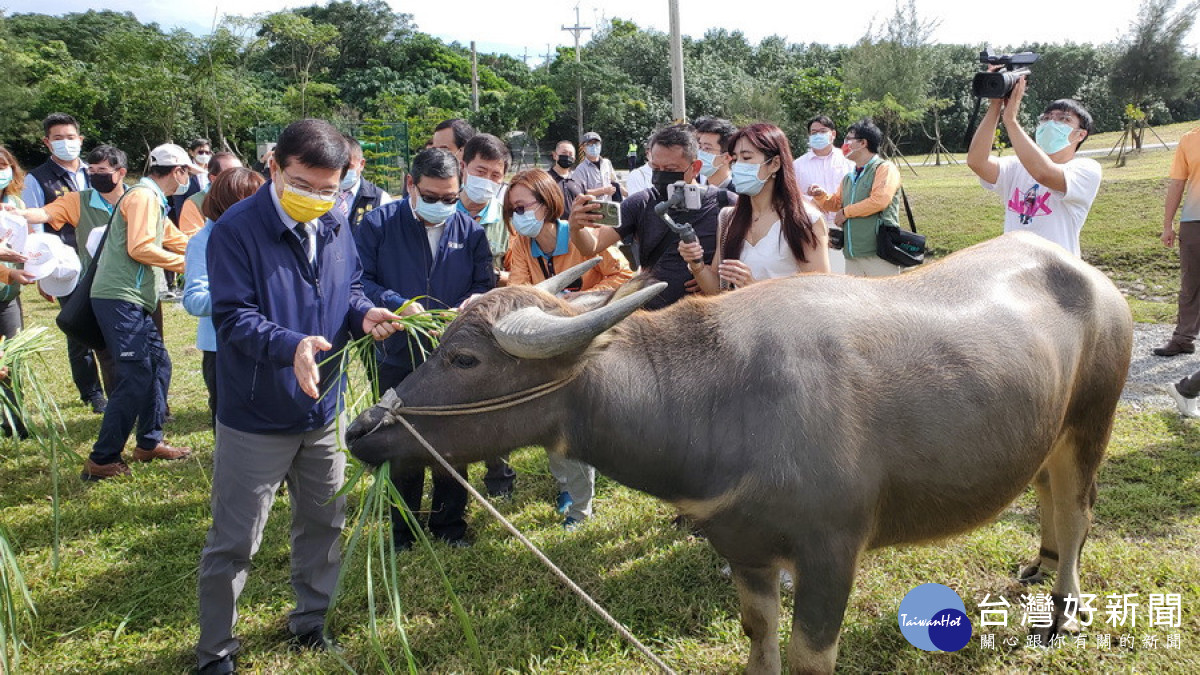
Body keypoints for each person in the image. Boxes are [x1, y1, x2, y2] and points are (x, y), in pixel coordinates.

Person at [196, 119, 401, 675]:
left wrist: (365, 314)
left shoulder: (336, 223)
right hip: (258, 413)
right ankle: (215, 651)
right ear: (273, 167)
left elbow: (350, 288)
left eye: (328, 188)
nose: (316, 198)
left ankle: (311, 620)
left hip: (323, 408)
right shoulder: (235, 231)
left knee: (324, 522)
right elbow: (234, 316)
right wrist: (290, 346)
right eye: (303, 184)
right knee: (235, 539)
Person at [355, 147, 494, 551]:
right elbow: (359, 280)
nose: (441, 206)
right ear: (410, 185)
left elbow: (484, 284)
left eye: (450, 199)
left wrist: (473, 303)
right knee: (401, 441)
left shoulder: (468, 231)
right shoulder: (378, 225)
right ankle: (403, 530)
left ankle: (450, 523)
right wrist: (398, 302)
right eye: (431, 198)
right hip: (398, 351)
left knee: (455, 441)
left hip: (454, 358)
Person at [504, 168, 632, 528]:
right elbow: (518, 289)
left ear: (547, 204)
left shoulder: (582, 237)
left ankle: (580, 507)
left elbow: (624, 275)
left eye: (523, 206)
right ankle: (567, 488)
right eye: (512, 208)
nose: (518, 215)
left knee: (573, 423)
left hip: (586, 342)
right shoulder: (519, 244)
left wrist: (580, 300)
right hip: (544, 345)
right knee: (552, 421)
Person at [81, 143, 195, 481]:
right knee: (134, 375)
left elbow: (179, 240)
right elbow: (141, 247)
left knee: (159, 364)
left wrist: (210, 250)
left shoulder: (152, 199)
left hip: (134, 298)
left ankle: (149, 442)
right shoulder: (144, 197)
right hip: (119, 297)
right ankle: (102, 459)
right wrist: (191, 264)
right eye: (187, 172)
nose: (187, 178)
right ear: (178, 171)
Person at [570, 123, 731, 310]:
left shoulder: (723, 204)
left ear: (695, 167)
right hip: (651, 319)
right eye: (656, 168)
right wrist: (576, 227)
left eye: (670, 170)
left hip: (704, 317)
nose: (661, 176)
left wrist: (707, 275)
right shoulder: (642, 202)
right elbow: (592, 246)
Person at [22, 113, 106, 413]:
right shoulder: (38, 178)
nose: (66, 143)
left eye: (70, 137)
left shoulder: (95, 171)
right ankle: (92, 393)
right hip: (65, 266)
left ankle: (115, 386)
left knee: (106, 324)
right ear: (47, 142)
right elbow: (34, 227)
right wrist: (40, 272)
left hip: (101, 261)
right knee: (78, 328)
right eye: (58, 138)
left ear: (80, 140)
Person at [681, 123, 829, 294]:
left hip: (784, 320)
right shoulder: (728, 218)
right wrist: (696, 264)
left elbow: (820, 294)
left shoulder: (805, 220)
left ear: (774, 164)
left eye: (747, 158)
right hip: (737, 319)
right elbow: (717, 291)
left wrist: (754, 288)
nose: (737, 166)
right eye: (735, 159)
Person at [966, 77, 1101, 257]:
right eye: (1046, 118)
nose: (1052, 122)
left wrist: (1011, 122)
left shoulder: (1086, 169)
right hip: (1013, 270)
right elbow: (977, 162)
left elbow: (1044, 174)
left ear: (1080, 135)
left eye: (1063, 119)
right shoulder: (1017, 166)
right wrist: (995, 106)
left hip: (1057, 273)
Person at [182, 167, 265, 426]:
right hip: (222, 349)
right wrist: (240, 297)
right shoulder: (203, 241)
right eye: (250, 201)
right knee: (228, 418)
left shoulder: (260, 237)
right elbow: (194, 299)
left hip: (262, 341)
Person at [808, 119, 903, 277]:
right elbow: (837, 203)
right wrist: (821, 196)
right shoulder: (849, 177)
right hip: (852, 255)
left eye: (848, 140)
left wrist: (846, 212)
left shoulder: (884, 168)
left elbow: (879, 201)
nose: (844, 145)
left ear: (863, 143)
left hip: (879, 254)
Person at [1153, 125, 1200, 357]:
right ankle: (1183, 339)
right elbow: (1177, 182)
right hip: (1193, 220)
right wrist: (1167, 224)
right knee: (1190, 284)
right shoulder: (1189, 139)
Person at [793, 115, 854, 274]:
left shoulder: (848, 161)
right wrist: (811, 203)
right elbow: (793, 196)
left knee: (845, 273)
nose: (817, 135)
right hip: (812, 229)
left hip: (845, 225)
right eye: (813, 132)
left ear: (833, 134)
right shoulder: (798, 165)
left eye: (822, 131)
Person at [457, 133, 512, 285]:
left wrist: (492, 274)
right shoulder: (442, 211)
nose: (487, 180)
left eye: (495, 175)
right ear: (463, 167)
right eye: (480, 172)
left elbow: (519, 276)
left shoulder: (508, 220)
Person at [178, 152, 243, 236]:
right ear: (213, 178)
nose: (240, 178)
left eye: (242, 172)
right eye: (232, 174)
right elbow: (194, 241)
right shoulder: (194, 203)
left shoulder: (248, 197)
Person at [335, 134, 392, 227]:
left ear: (361, 164)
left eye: (348, 167)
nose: (342, 172)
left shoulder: (380, 200)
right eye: (337, 166)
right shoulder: (321, 195)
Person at [694, 116, 737, 190]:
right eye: (700, 147)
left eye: (707, 148)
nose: (700, 153)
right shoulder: (696, 189)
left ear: (727, 157)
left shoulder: (737, 195)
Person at [572, 131, 619, 199]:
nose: (594, 146)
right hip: (592, 208)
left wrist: (629, 194)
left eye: (596, 143)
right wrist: (603, 191)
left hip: (609, 206)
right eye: (590, 144)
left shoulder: (607, 163)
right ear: (583, 148)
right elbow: (579, 193)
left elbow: (615, 183)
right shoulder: (581, 169)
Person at [548, 140, 583, 218]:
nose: (567, 156)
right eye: (564, 153)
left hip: (575, 227)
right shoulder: (545, 179)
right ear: (555, 156)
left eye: (570, 154)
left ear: (574, 159)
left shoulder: (578, 179)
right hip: (552, 227)